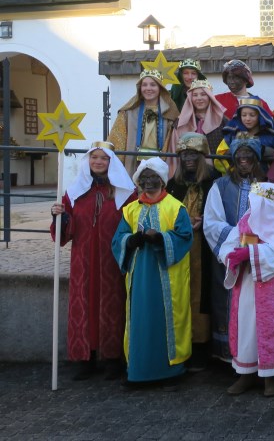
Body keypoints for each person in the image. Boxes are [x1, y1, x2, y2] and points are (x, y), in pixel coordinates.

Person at [50, 141, 135, 381]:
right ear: (88, 160)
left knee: (112, 305)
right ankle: (85, 359)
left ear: (111, 162)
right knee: (83, 304)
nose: (98, 161)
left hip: (112, 259)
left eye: (103, 158)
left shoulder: (125, 193)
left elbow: (134, 220)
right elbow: (65, 232)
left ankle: (111, 359)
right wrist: (61, 215)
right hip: (83, 260)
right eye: (94, 157)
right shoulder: (74, 192)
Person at [111, 158, 192, 387]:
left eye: (153, 177)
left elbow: (186, 237)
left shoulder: (175, 207)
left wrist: (161, 238)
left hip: (168, 276)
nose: (148, 182)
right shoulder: (130, 209)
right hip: (140, 276)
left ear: (162, 180)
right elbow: (117, 239)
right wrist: (131, 240)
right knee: (140, 320)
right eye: (144, 178)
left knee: (169, 319)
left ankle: (171, 370)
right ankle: (139, 369)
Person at [219, 182, 274, 397]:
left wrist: (250, 254)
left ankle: (271, 376)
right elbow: (230, 242)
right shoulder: (246, 220)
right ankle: (246, 373)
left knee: (270, 327)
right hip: (246, 284)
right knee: (245, 327)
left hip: (270, 287)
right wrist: (230, 256)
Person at [203, 138, 267, 362]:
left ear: (256, 157)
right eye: (239, 153)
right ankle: (230, 355)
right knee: (227, 302)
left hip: (259, 259)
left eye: (249, 153)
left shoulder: (267, 186)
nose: (243, 157)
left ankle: (256, 356)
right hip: (229, 260)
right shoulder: (220, 186)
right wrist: (237, 244)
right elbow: (211, 223)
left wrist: (258, 246)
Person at [166, 133, 220, 371]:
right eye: (184, 154)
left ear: (202, 156)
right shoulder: (173, 184)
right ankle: (180, 344)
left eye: (193, 154)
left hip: (206, 249)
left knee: (202, 294)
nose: (188, 158)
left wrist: (205, 220)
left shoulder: (214, 180)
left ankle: (201, 346)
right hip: (180, 247)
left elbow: (221, 211)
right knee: (180, 293)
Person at [107, 69, 180, 174]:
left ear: (160, 88)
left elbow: (173, 140)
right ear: (140, 88)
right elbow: (117, 138)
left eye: (153, 85)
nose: (148, 88)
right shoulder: (128, 112)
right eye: (144, 85)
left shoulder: (170, 112)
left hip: (160, 162)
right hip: (134, 161)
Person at [169, 79, 226, 177]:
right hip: (186, 174)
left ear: (209, 97)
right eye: (195, 95)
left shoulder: (223, 122)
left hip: (215, 175)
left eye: (203, 94)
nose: (199, 98)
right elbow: (174, 151)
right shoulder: (180, 123)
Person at [216, 98, 274, 171]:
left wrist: (264, 150)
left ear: (260, 116)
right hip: (237, 179)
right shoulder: (231, 136)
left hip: (264, 180)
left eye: (252, 115)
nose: (247, 119)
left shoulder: (272, 137)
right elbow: (219, 158)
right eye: (244, 115)